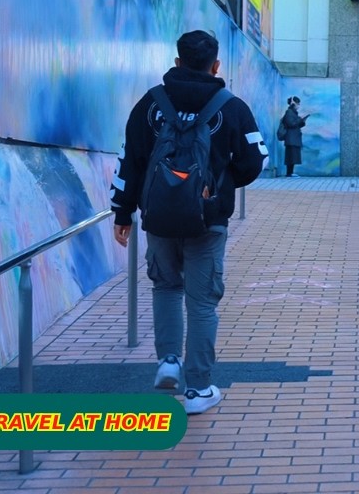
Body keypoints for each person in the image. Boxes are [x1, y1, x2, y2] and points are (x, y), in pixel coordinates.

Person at [110, 30, 267, 415]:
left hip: (159, 218)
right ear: (216, 66)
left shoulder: (150, 104)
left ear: (177, 62)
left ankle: (167, 361)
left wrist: (122, 211)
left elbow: (130, 160)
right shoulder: (231, 107)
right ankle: (198, 390)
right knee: (202, 303)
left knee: (165, 287)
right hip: (208, 220)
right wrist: (220, 185)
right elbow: (253, 161)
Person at [280, 96, 309, 177]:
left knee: (293, 156)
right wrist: (300, 119)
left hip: (293, 138)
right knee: (291, 156)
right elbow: (291, 123)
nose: (299, 105)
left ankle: (290, 172)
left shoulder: (293, 113)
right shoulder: (289, 112)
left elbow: (296, 124)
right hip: (291, 138)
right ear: (293, 104)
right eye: (298, 103)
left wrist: (302, 121)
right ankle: (289, 173)